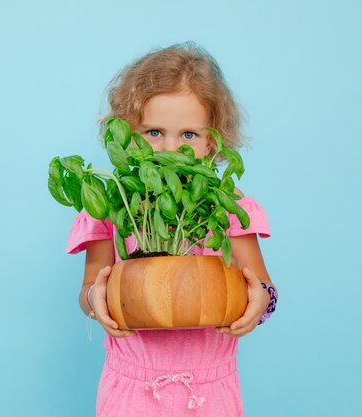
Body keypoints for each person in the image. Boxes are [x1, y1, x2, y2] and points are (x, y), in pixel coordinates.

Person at [66, 42, 278, 417]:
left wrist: (261, 302)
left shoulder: (228, 204)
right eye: (153, 132)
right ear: (127, 134)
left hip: (212, 391)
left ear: (213, 139)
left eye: (189, 136)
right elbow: (87, 291)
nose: (169, 149)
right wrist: (95, 300)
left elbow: (263, 286)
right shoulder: (115, 204)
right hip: (130, 388)